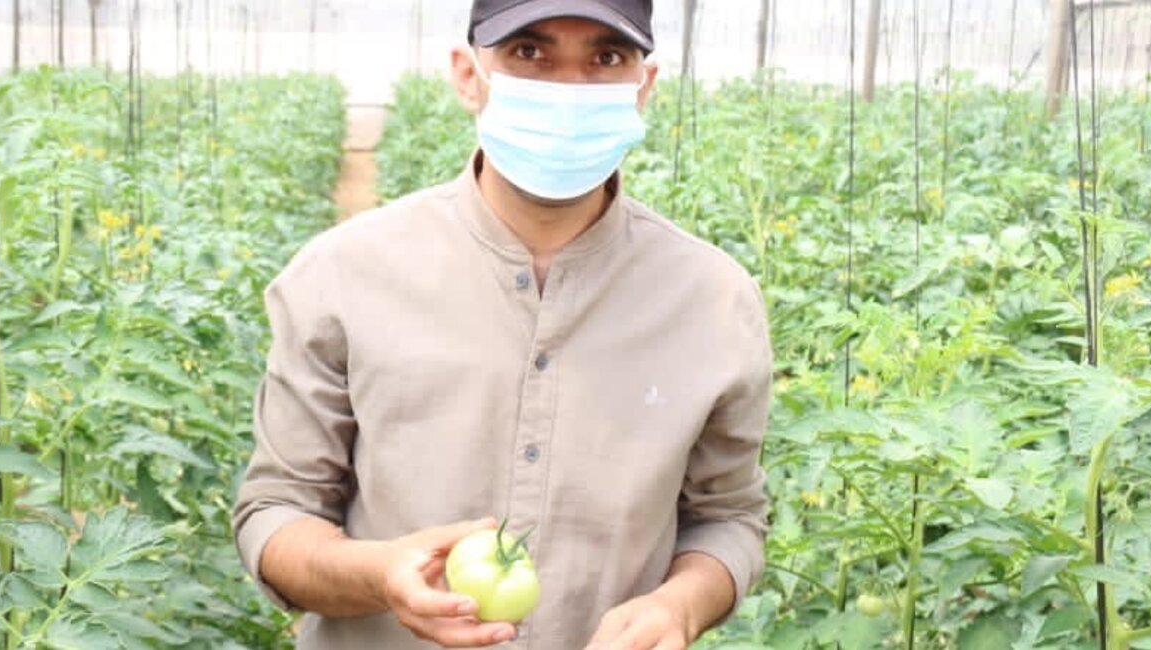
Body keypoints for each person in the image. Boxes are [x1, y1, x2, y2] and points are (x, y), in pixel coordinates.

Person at [230, 0, 771, 647]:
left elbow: (728, 515)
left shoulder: (713, 299)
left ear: (643, 87)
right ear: (468, 76)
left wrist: (681, 605)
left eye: (605, 58)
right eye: (530, 53)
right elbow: (277, 511)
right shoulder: (342, 275)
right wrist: (379, 575)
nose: (568, 88)